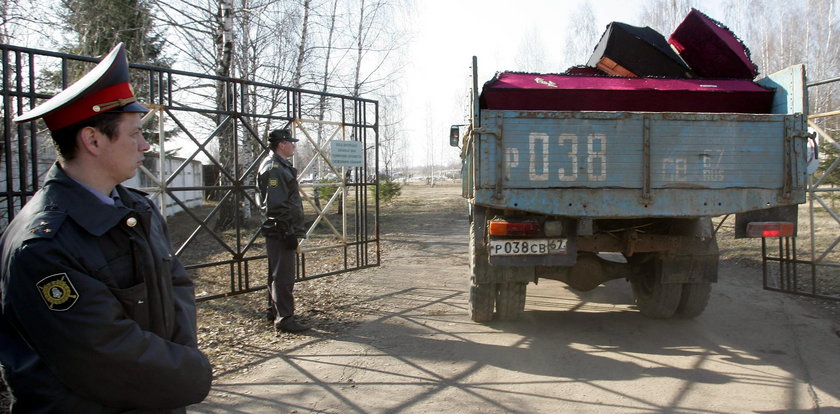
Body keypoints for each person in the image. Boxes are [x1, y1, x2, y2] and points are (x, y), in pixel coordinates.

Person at [0, 43, 212, 413]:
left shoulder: (135, 207)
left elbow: (176, 286)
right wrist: (190, 373)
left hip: (156, 396)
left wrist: (179, 359)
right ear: (93, 140)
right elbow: (103, 355)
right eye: (134, 134)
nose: (145, 145)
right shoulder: (43, 245)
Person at [257, 128, 310, 333]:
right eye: (291, 142)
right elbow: (275, 204)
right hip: (280, 229)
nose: (294, 146)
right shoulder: (274, 168)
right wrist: (286, 230)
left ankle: (275, 312)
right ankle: (285, 319)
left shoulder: (278, 165)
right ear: (281, 144)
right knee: (284, 276)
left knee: (276, 274)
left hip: (280, 228)